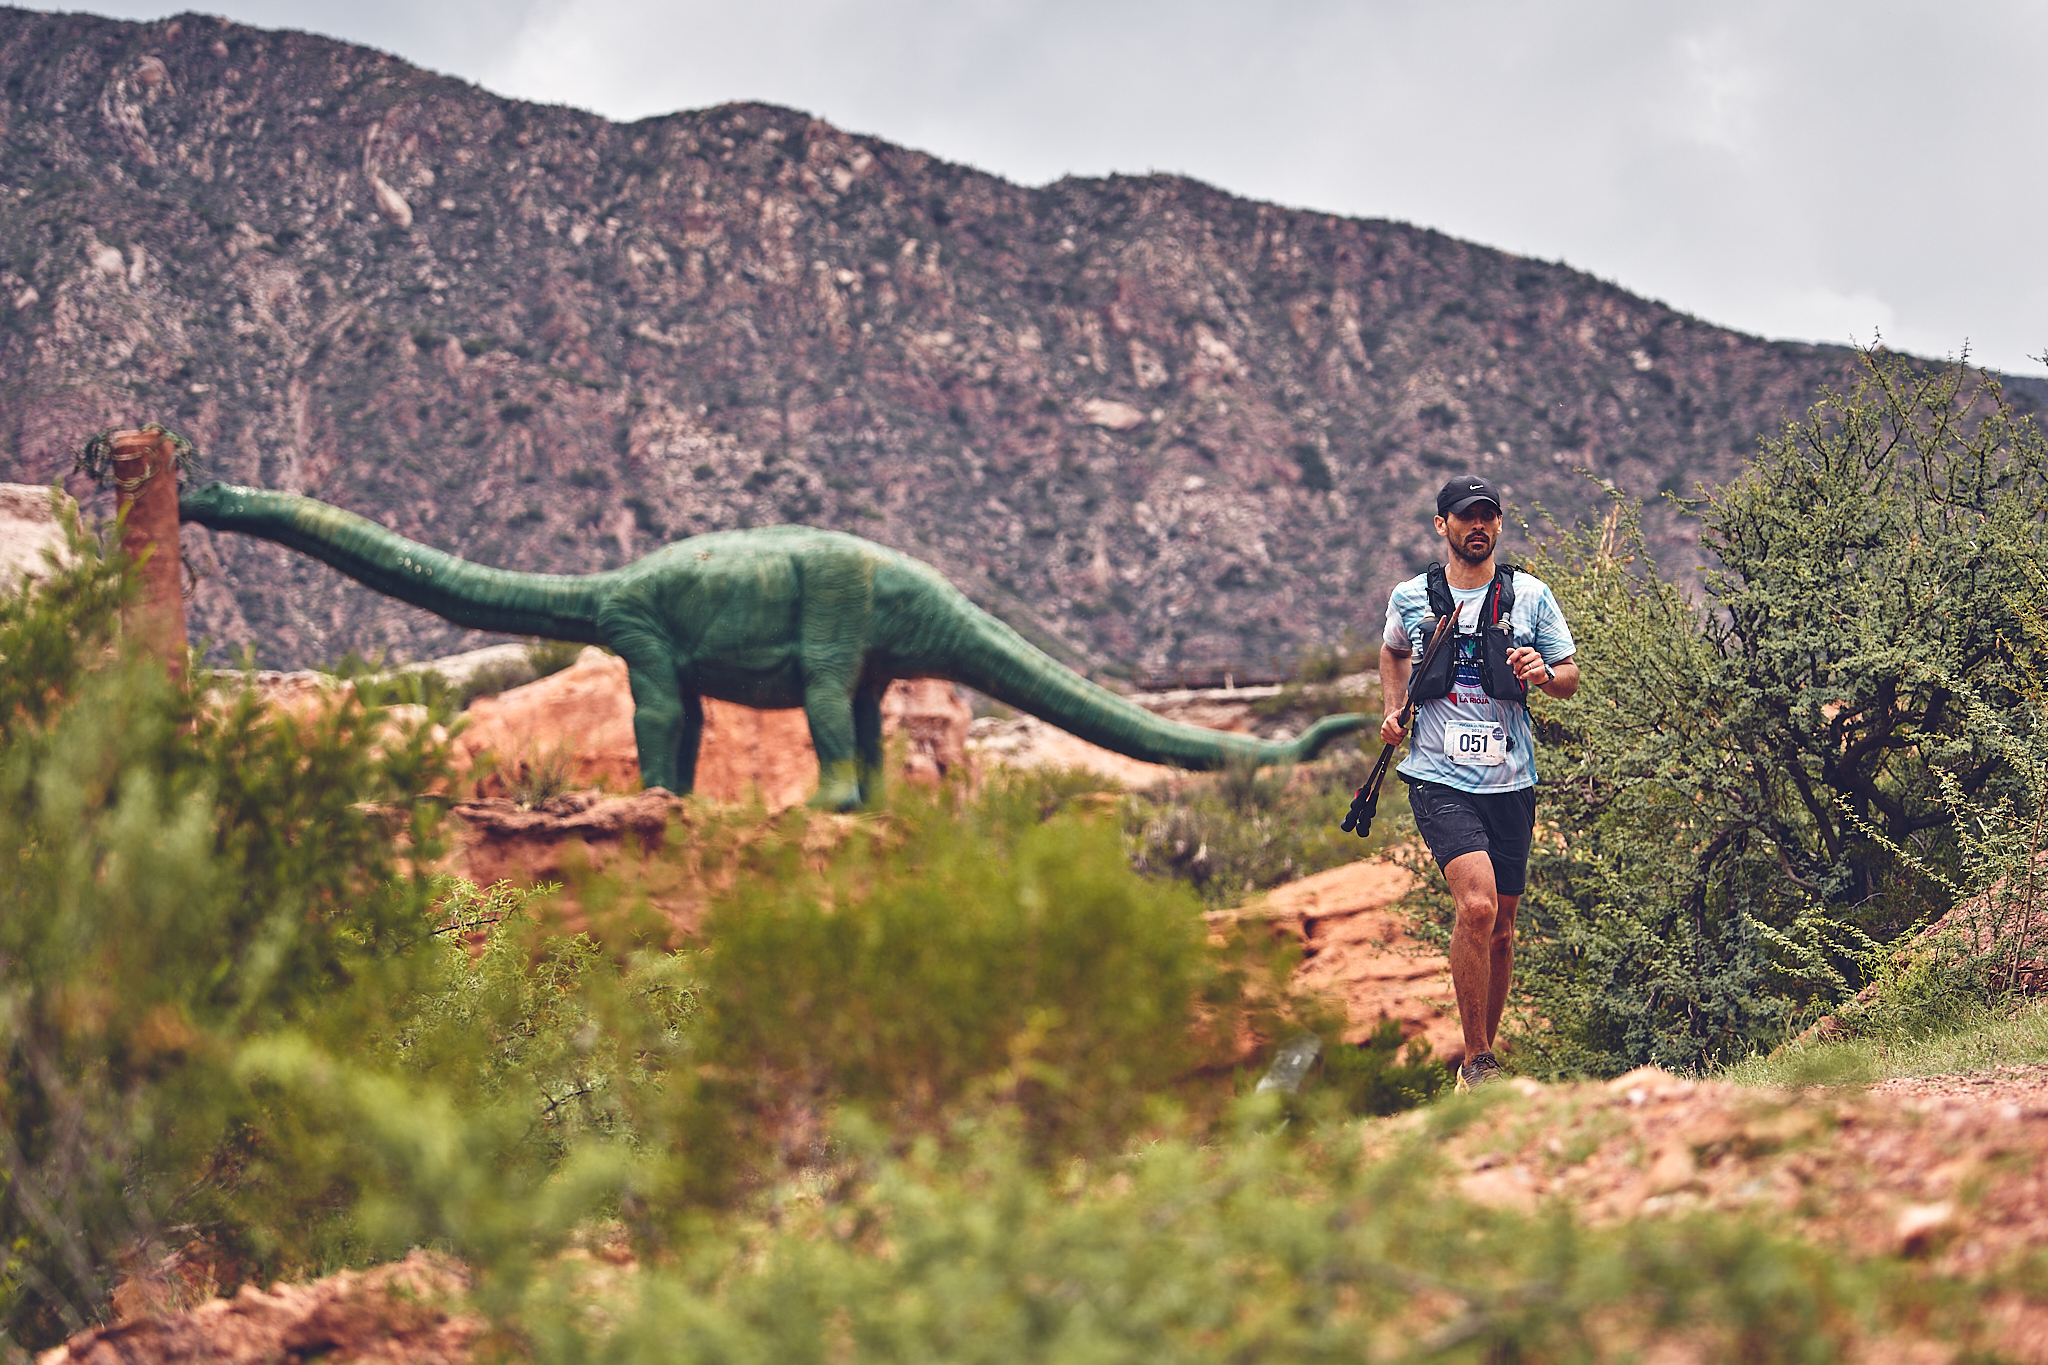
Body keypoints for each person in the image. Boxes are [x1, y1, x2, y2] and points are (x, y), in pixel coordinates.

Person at [1379, 475, 1579, 1090]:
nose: (1479, 527)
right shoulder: (1412, 598)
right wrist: (1392, 711)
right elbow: (1393, 652)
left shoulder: (1531, 597)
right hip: (1438, 778)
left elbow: (1570, 677)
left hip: (1512, 779)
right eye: (1466, 517)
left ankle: (1481, 1060)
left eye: (1488, 517)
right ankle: (1477, 1059)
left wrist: (1544, 672)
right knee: (1477, 907)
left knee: (1503, 929)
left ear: (1499, 524)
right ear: (1442, 525)